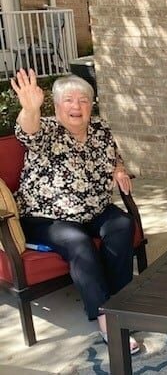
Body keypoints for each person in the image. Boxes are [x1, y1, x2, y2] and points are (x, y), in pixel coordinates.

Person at [10, 69, 140, 354]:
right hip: (47, 215)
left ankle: (120, 301)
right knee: (77, 242)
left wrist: (118, 168)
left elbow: (113, 154)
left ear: (91, 105)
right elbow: (27, 131)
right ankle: (105, 316)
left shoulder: (100, 129)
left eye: (83, 100)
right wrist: (29, 109)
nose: (76, 106)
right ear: (56, 106)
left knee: (121, 225)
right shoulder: (45, 130)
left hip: (94, 209)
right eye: (68, 100)